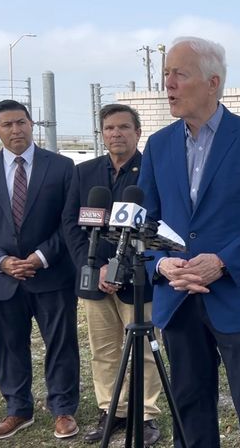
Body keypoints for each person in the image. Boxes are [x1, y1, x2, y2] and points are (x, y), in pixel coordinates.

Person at [138, 36, 240, 448]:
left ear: (212, 82)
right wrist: (160, 264)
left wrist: (222, 261)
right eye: (165, 74)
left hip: (237, 297)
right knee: (189, 404)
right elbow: (145, 222)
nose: (167, 83)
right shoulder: (157, 145)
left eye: (179, 74)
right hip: (178, 296)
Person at [0, 100, 80, 440]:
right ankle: (18, 409)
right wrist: (1, 261)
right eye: (8, 125)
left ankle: (63, 409)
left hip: (51, 273)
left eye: (22, 122)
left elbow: (68, 223)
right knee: (8, 344)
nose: (16, 130)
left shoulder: (61, 167)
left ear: (32, 124)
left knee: (61, 343)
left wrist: (41, 256)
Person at [62, 103, 161, 445]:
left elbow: (159, 224)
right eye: (109, 128)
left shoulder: (154, 170)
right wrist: (95, 266)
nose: (116, 134)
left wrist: (125, 265)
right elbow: (71, 225)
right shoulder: (84, 172)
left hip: (139, 279)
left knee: (144, 351)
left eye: (123, 127)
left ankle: (146, 415)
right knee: (103, 350)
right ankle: (112, 411)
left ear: (138, 131)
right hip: (95, 278)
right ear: (101, 134)